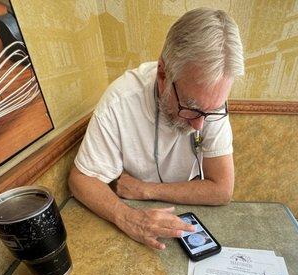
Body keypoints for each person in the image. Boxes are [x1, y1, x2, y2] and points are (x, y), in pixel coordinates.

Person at [68, 7, 244, 250]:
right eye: (191, 109)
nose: (200, 125)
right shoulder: (120, 101)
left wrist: (145, 189)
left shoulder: (208, 102)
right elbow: (81, 179)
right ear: (163, 74)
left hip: (183, 209)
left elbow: (222, 190)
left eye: (210, 112)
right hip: (135, 215)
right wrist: (128, 216)